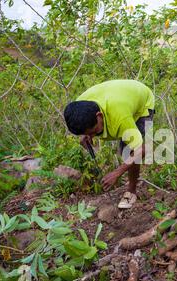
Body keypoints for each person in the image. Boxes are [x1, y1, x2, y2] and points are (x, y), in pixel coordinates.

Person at [64, 79, 154, 209]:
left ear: (99, 115)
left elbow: (143, 150)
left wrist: (117, 173)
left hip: (142, 99)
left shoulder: (119, 116)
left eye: (94, 131)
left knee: (128, 151)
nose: (92, 136)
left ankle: (132, 191)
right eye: (89, 133)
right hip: (117, 94)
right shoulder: (78, 108)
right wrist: (85, 135)